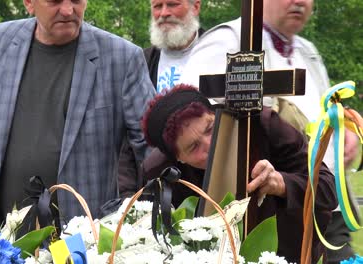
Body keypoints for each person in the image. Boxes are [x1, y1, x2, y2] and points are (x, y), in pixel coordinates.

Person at [0, 0, 155, 233]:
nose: (68, 10)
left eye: (76, 0)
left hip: (83, 241)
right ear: (29, 3)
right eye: (55, 1)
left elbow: (153, 148)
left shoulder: (122, 58)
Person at [179, 0, 360, 261]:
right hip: (273, 221)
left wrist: (344, 131)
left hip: (328, 210)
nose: (299, 2)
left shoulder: (306, 51)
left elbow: (323, 113)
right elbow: (190, 123)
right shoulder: (227, 42)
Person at [141, 84, 337, 263]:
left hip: (291, 255)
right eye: (193, 147)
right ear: (178, 158)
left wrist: (282, 183)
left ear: (217, 115)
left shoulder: (263, 126)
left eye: (211, 129)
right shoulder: (160, 174)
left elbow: (328, 190)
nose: (210, 146)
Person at [118, 0, 204, 197]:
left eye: (172, 4)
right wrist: (127, 196)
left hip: (204, 186)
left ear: (196, 6)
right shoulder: (140, 62)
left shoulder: (216, 55)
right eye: (157, 6)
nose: (164, 13)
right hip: (152, 187)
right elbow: (127, 140)